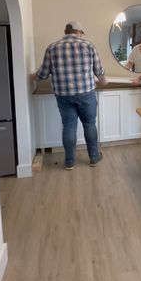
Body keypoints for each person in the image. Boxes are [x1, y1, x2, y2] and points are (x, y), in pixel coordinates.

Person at [31, 21, 108, 170]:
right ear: (78, 32)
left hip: (63, 95)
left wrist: (31, 77)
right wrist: (104, 81)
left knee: (69, 126)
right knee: (89, 124)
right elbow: (99, 71)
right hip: (86, 94)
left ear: (66, 31)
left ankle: (69, 162)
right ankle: (93, 158)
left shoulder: (52, 47)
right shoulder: (88, 46)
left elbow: (42, 74)